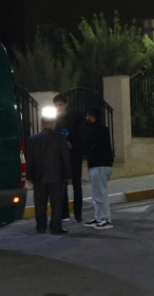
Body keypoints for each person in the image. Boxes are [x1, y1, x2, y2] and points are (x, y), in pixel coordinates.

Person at [25, 108, 72, 235]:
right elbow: (65, 158)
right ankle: (55, 227)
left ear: (42, 124)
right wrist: (68, 175)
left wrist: (29, 175)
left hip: (39, 177)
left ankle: (41, 226)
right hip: (57, 176)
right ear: (54, 124)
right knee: (56, 203)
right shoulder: (60, 138)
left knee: (40, 203)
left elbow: (29, 159)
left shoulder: (32, 139)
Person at [53, 94, 84, 224]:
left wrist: (72, 145)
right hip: (61, 157)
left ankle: (78, 214)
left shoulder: (74, 118)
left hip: (75, 155)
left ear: (66, 105)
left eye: (60, 105)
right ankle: (64, 214)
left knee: (76, 184)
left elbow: (82, 137)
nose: (58, 108)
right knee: (62, 185)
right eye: (56, 106)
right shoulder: (55, 121)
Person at [83, 107, 114, 230]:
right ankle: (98, 217)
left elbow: (89, 143)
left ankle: (106, 219)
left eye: (87, 116)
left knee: (100, 192)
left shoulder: (98, 129)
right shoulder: (97, 128)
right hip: (98, 164)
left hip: (100, 165)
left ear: (91, 116)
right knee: (96, 193)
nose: (86, 118)